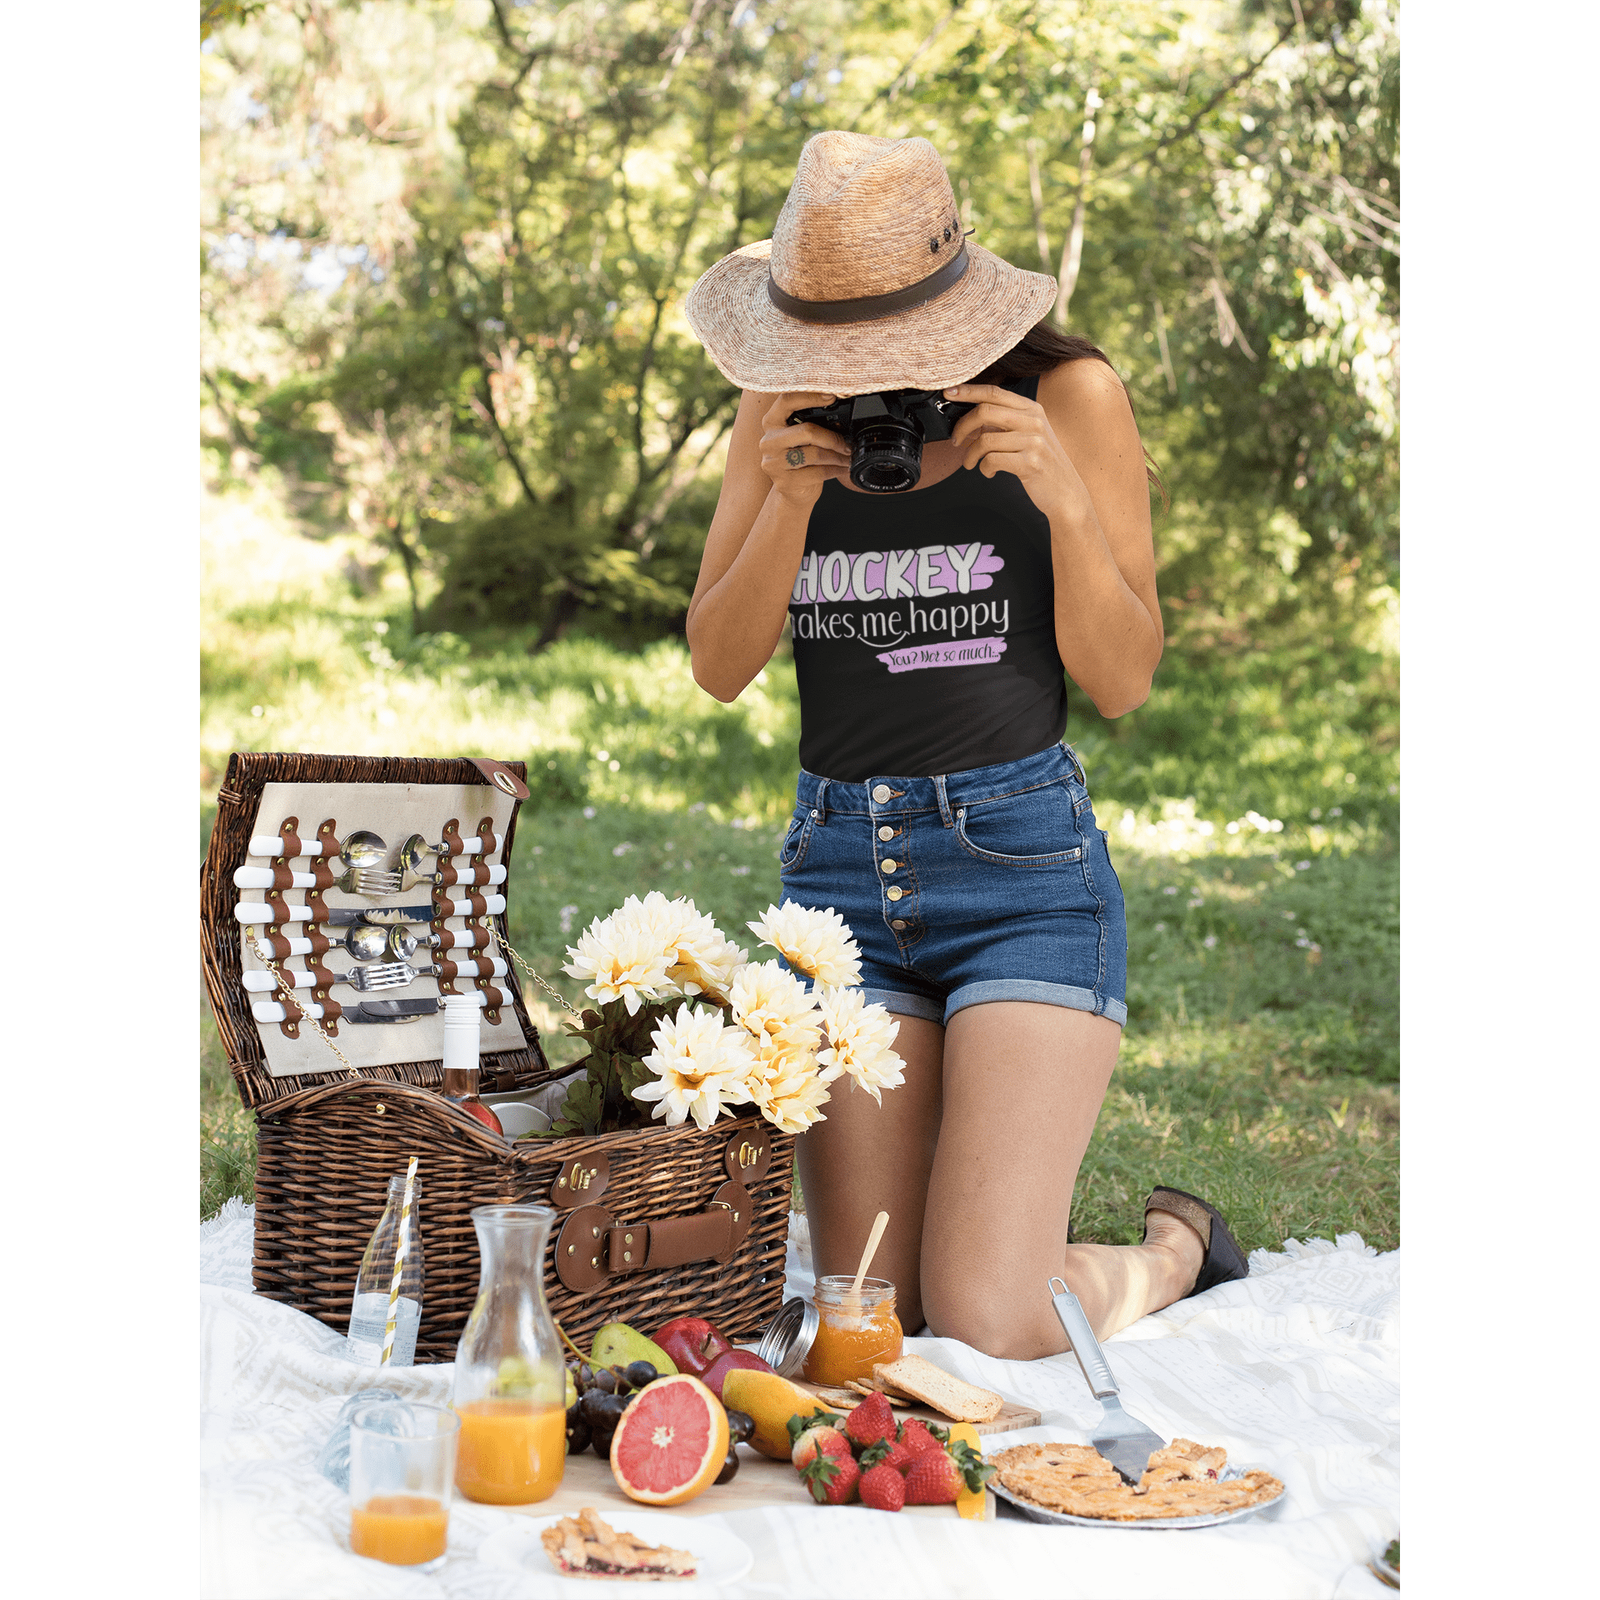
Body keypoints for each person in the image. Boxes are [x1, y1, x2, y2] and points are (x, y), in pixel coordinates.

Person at [682, 131, 1246, 1360]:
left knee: (988, 1313)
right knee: (870, 1322)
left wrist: (1059, 497)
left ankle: (1170, 1251)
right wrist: (786, 500)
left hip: (1024, 876)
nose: (869, 379)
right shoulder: (777, 413)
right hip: (837, 880)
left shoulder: (1070, 396)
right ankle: (966, 1222)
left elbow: (1125, 678)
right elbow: (719, 665)